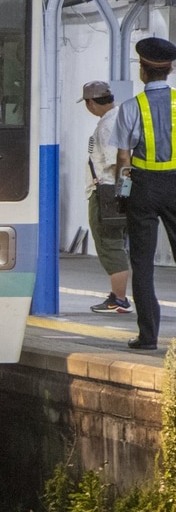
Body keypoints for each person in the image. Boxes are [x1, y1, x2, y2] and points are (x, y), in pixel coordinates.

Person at [111, 36, 176, 350]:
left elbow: (124, 159)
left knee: (143, 263)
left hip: (143, 187)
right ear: (171, 69)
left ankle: (148, 337)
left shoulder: (130, 108)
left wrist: (123, 193)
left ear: (142, 70)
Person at [80, 80, 131, 313]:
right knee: (115, 243)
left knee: (109, 244)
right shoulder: (121, 116)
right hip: (116, 191)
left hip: (107, 192)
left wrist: (122, 191)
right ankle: (117, 295)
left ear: (91, 103)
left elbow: (119, 160)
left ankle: (119, 300)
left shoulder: (108, 125)